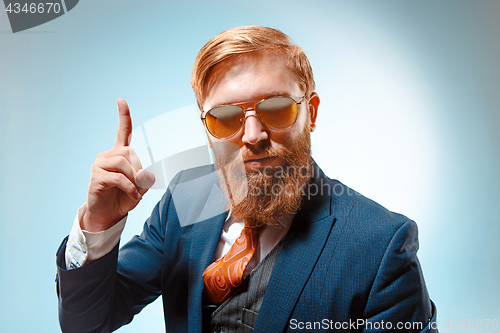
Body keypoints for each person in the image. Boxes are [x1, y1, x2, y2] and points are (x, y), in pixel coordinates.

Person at [56, 26, 437, 332]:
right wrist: (99, 223)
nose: (252, 135)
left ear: (312, 113)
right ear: (207, 130)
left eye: (276, 108)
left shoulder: (381, 244)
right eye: (226, 117)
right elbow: (86, 323)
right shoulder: (182, 200)